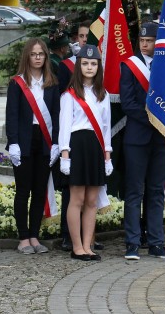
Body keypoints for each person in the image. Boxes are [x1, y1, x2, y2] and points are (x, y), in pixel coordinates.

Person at [120, 22, 165, 260]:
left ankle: (156, 242)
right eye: (142, 41)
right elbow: (128, 103)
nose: (144, 44)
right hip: (137, 138)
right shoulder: (130, 66)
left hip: (160, 138)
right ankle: (132, 243)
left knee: (155, 192)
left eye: (149, 40)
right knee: (134, 192)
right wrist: (153, 118)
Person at [6, 38, 60, 254]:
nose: (37, 58)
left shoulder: (52, 83)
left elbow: (56, 114)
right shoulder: (17, 83)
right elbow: (12, 115)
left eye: (41, 54)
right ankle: (23, 238)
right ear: (27, 56)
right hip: (24, 142)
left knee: (39, 191)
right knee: (23, 191)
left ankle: (35, 236)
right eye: (33, 54)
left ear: (46, 57)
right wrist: (14, 143)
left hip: (45, 141)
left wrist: (56, 141)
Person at [59, 44, 112, 261]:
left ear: (98, 67)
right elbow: (64, 127)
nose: (89, 67)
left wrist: (108, 155)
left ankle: (89, 245)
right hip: (77, 146)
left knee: (91, 201)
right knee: (77, 199)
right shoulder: (69, 95)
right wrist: (65, 155)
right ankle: (77, 246)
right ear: (78, 66)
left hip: (96, 147)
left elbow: (106, 127)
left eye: (93, 63)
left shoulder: (103, 94)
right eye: (85, 63)